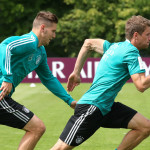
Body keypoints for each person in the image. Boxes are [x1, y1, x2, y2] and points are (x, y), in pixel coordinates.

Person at [50, 15, 150, 150]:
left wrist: (76, 72)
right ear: (136, 35)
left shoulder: (115, 47)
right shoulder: (131, 52)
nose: (149, 38)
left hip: (105, 108)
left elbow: (88, 43)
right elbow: (141, 85)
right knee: (60, 148)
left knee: (145, 127)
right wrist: (76, 72)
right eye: (148, 34)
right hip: (92, 107)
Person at [0, 11, 76, 150]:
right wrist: (7, 77)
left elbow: (48, 78)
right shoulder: (30, 41)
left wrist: (69, 100)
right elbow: (5, 47)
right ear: (42, 28)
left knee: (37, 128)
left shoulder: (40, 52)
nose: (54, 35)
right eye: (53, 31)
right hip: (1, 96)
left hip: (4, 96)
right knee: (37, 128)